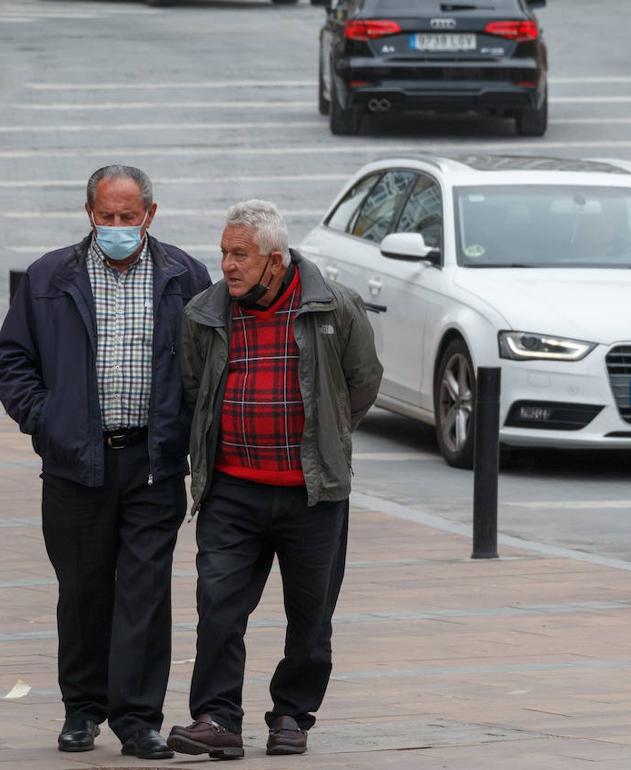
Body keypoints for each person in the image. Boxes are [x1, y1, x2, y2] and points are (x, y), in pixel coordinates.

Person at [0, 165, 211, 758]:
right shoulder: (48, 276)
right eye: (107, 216)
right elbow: (11, 359)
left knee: (145, 592)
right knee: (83, 590)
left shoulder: (185, 275)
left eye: (128, 217)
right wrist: (46, 419)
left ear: (150, 215)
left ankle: (138, 719)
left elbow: (207, 365)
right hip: (75, 463)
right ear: (89, 213)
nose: (118, 226)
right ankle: (82, 711)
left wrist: (187, 434)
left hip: (152, 459)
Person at [167, 200, 382, 759]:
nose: (228, 265)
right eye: (223, 253)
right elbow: (195, 391)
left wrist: (325, 438)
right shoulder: (204, 313)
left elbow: (361, 385)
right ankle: (218, 718)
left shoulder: (335, 306)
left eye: (241, 255)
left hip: (313, 493)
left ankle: (291, 715)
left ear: (276, 260)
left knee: (311, 614)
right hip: (232, 490)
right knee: (217, 605)